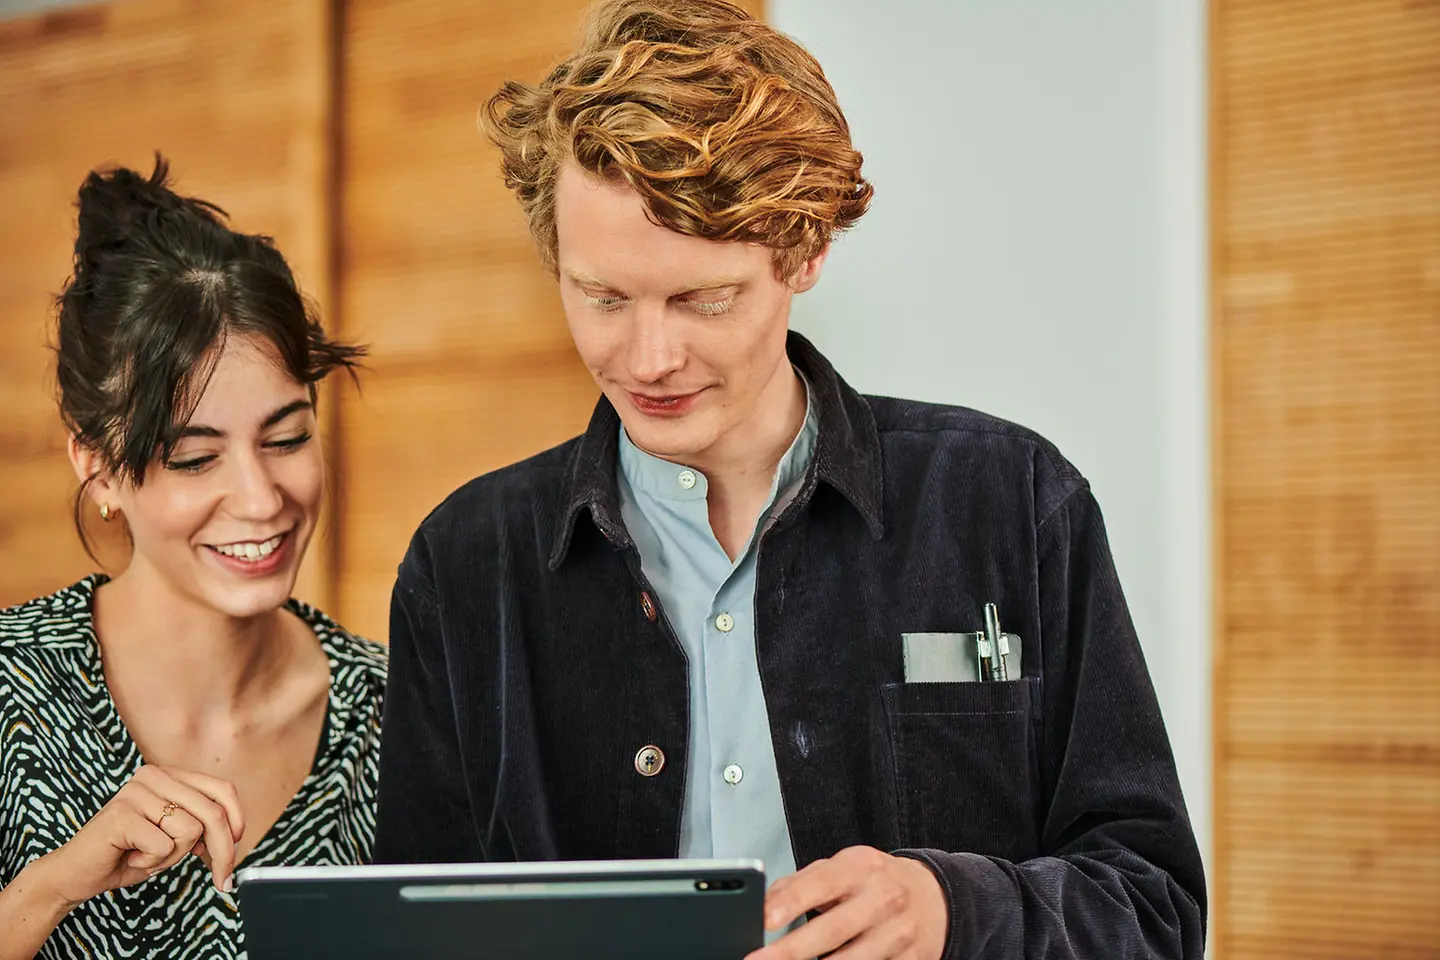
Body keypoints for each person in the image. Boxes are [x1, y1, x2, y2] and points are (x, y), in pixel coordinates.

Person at [373, 1, 1206, 957]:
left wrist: (951, 910)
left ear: (806, 251)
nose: (648, 359)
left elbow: (1156, 911)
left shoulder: (1010, 504)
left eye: (704, 299)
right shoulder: (465, 563)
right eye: (602, 298)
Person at [0, 157, 386, 960]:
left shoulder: (397, 713)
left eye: (286, 438)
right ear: (98, 467)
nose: (259, 498)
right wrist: (52, 886)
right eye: (193, 457)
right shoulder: (12, 693)